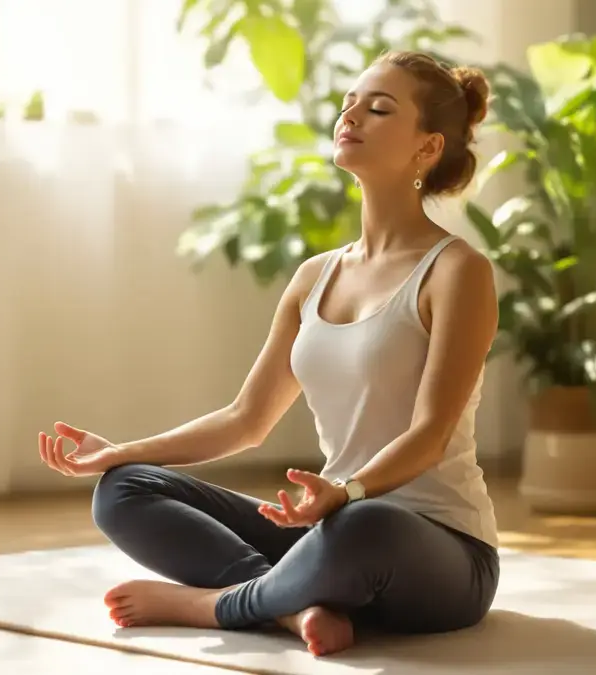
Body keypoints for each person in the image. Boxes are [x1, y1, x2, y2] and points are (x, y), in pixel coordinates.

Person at [37, 50, 501, 658]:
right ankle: (291, 607)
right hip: (329, 529)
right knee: (124, 490)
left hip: (439, 551)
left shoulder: (457, 271)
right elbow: (245, 420)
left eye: (380, 109)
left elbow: (431, 434)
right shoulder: (315, 277)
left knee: (364, 526)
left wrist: (347, 492)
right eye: (350, 104)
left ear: (427, 147)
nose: (351, 116)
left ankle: (215, 606)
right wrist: (120, 452)